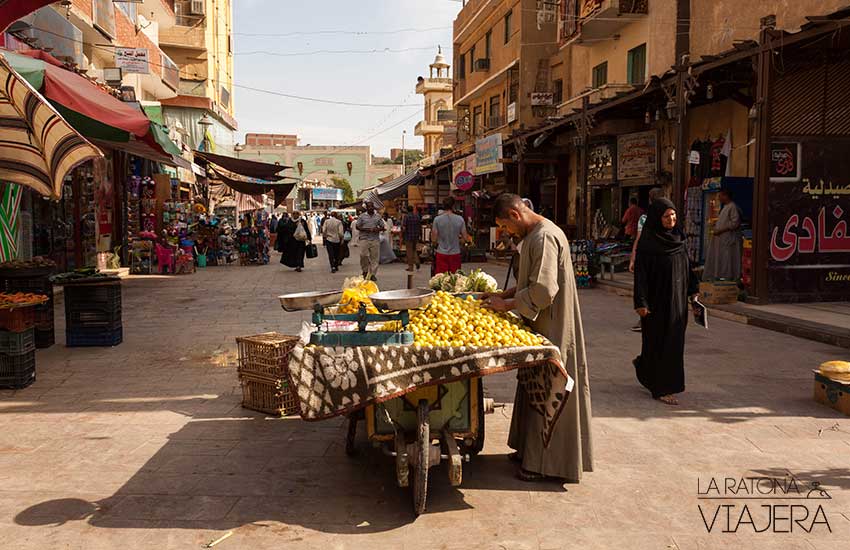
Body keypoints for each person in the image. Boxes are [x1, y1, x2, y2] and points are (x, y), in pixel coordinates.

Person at [484, 194, 593, 483]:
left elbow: (543, 290)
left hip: (553, 326)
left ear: (515, 215)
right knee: (533, 385)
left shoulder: (544, 238)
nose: (506, 233)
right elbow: (529, 282)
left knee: (551, 388)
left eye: (505, 226)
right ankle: (528, 451)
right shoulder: (534, 235)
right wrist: (505, 295)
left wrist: (506, 305)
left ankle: (546, 464)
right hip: (541, 324)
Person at [633, 199, 699, 406]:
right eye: (666, 216)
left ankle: (647, 370)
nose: (671, 219)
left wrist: (693, 292)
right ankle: (661, 388)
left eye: (673, 215)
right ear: (656, 218)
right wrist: (641, 302)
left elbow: (687, 267)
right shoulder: (648, 242)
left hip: (678, 303)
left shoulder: (679, 238)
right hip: (656, 303)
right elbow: (641, 276)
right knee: (658, 342)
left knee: (673, 343)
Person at [628, 187, 665, 332]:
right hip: (664, 259)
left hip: (648, 258)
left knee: (646, 289)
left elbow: (639, 238)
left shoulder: (645, 218)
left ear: (650, 199)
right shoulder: (670, 216)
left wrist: (633, 258)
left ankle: (646, 319)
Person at [702, 188, 742, 281]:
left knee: (727, 260)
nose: (719, 198)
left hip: (728, 239)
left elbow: (735, 223)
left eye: (720, 196)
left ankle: (728, 278)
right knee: (722, 259)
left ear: (726, 196)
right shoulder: (726, 207)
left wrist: (721, 230)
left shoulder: (732, 207)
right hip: (722, 239)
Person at [431, 197, 469, 275]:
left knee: (441, 280)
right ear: (453, 206)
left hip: (441, 253)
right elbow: (465, 238)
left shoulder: (437, 220)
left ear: (443, 206)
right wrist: (457, 241)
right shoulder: (460, 219)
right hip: (455, 253)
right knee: (455, 279)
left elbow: (434, 239)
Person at [355, 201, 385, 280]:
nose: (370, 208)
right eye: (369, 207)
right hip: (364, 238)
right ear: (366, 208)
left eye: (372, 207)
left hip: (375, 239)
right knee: (363, 255)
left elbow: (383, 227)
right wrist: (366, 229)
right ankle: (365, 271)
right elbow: (357, 227)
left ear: (373, 207)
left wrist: (377, 229)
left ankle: (372, 274)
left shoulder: (378, 216)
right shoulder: (362, 216)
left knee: (374, 257)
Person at [401, 206, 422, 272]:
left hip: (408, 236)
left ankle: (411, 267)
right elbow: (420, 227)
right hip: (416, 236)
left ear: (407, 210)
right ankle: (417, 261)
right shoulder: (417, 216)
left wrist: (402, 233)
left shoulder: (406, 217)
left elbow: (404, 228)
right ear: (412, 210)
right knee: (414, 249)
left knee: (409, 251)